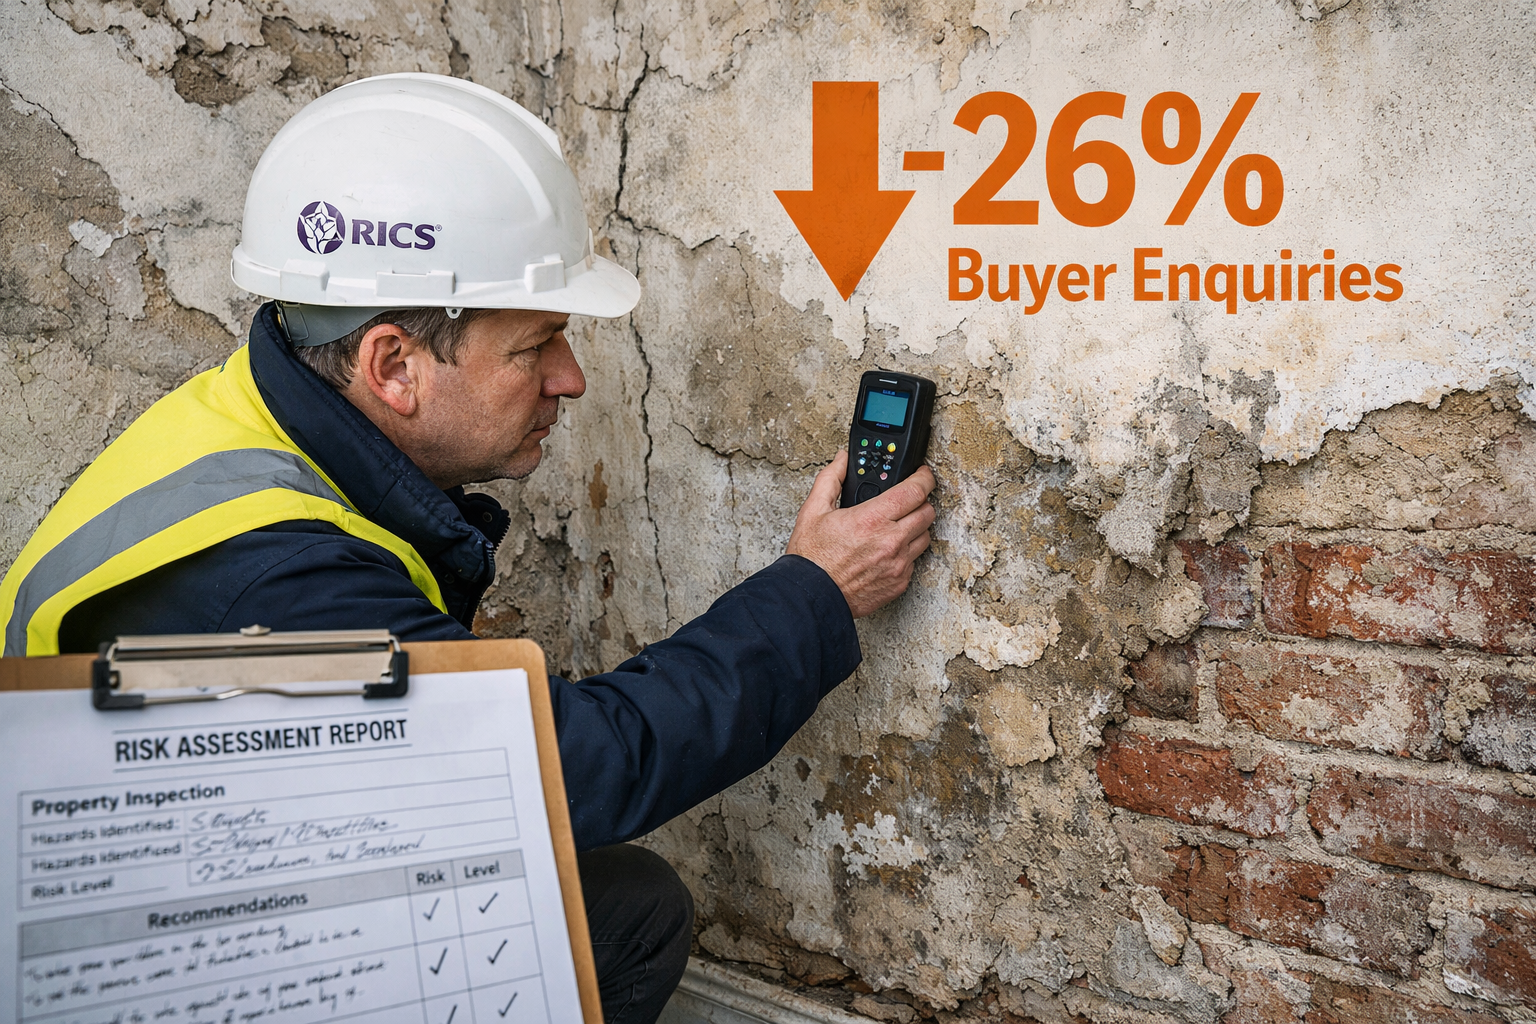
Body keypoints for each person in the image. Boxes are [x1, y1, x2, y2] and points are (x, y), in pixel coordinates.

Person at [0, 73, 934, 1024]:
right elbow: (572, 771)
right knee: (624, 915)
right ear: (393, 365)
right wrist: (816, 590)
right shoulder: (279, 574)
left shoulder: (242, 413)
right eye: (538, 347)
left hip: (154, 889)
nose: (569, 380)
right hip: (146, 973)